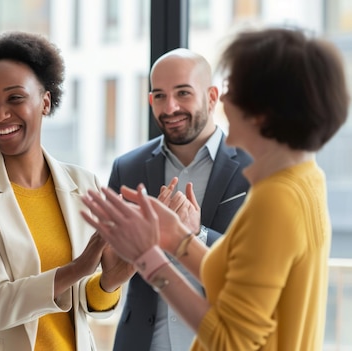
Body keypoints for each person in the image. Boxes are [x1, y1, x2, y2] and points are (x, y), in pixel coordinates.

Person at [81, 27, 349, 350]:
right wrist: (176, 237)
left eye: (233, 88)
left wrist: (148, 258)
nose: (224, 99)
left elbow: (229, 341)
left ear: (263, 110)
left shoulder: (277, 200)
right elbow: (231, 276)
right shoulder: (303, 177)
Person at [0, 31, 133, 351]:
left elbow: (82, 302)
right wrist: (78, 267)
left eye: (15, 98)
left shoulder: (84, 185)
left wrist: (112, 279)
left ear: (45, 101)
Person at [108, 48, 252, 350]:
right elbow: (109, 275)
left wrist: (194, 235)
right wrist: (142, 239)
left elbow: (257, 267)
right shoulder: (127, 168)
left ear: (212, 97)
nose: (170, 107)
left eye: (183, 93)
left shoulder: (253, 168)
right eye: (159, 96)